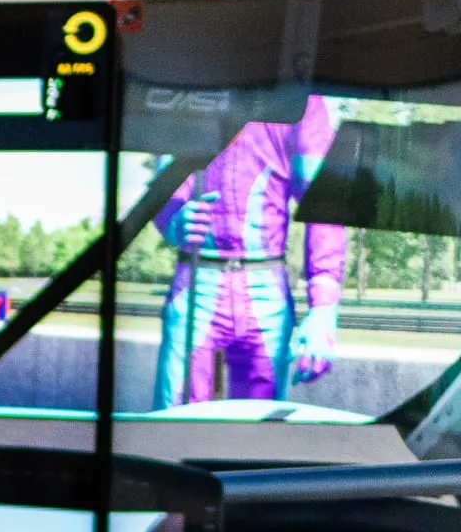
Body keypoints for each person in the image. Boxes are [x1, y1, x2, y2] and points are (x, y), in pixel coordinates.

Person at [150, 95, 350, 406]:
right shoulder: (189, 94)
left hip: (260, 289)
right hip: (200, 287)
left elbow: (325, 202)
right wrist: (174, 220)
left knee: (258, 432)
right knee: (183, 423)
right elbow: (165, 188)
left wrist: (324, 307)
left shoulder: (303, 101)